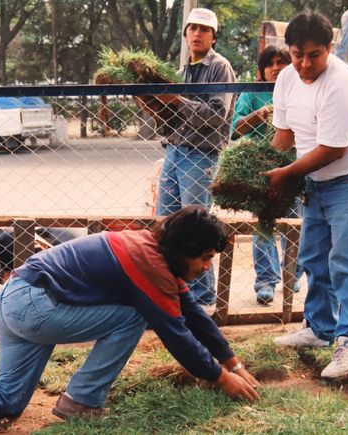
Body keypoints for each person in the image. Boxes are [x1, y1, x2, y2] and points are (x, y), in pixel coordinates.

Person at [0, 206, 260, 428]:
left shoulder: (153, 252)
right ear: (187, 248)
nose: (208, 267)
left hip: (15, 300)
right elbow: (176, 333)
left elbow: (192, 312)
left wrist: (232, 361)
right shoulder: (150, 266)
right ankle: (81, 400)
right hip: (34, 307)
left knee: (7, 401)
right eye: (207, 257)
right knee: (133, 316)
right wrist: (220, 377)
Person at [264, 12, 348, 379]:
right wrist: (262, 169)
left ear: (330, 49)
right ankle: (319, 329)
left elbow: (334, 149)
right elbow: (284, 136)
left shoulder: (343, 84)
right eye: (297, 54)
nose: (304, 63)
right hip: (314, 179)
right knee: (314, 257)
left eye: (313, 55)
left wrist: (285, 174)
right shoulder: (286, 77)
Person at [137, 7, 236, 306]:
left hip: (201, 155)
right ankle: (175, 288)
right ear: (185, 34)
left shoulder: (220, 68)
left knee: (196, 227)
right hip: (175, 152)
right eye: (192, 29)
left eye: (204, 30)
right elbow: (170, 122)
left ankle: (203, 298)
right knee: (166, 224)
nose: (197, 34)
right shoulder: (181, 71)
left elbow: (218, 116)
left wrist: (177, 101)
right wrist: (153, 107)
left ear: (213, 37)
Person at [230, 46, 301, 305]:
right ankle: (266, 282)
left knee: (295, 225)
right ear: (261, 71)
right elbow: (234, 130)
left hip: (295, 166)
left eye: (281, 62)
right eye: (269, 63)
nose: (275, 67)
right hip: (261, 167)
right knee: (264, 224)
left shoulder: (299, 89)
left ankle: (291, 276)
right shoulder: (253, 93)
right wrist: (256, 117)